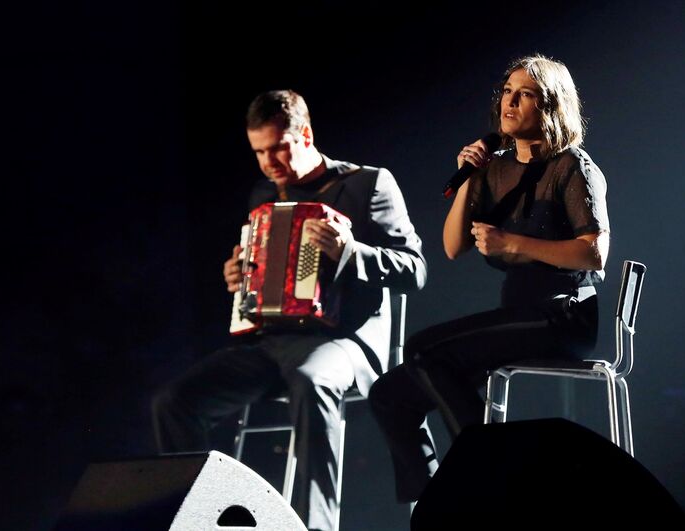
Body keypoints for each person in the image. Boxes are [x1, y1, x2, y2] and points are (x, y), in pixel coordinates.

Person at [152, 89, 427, 531]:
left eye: (277, 148)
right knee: (174, 401)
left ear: (306, 134)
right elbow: (259, 268)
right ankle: (198, 522)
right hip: (275, 341)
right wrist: (240, 277)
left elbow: (415, 270)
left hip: (348, 342)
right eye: (259, 152)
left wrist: (351, 251)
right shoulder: (263, 193)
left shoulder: (368, 183)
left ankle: (313, 528)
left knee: (311, 379)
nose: (269, 163)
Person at [368, 54, 610, 505]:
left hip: (562, 316)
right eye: (506, 91)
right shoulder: (495, 167)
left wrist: (514, 245)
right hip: (515, 314)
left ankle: (490, 481)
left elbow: (594, 253)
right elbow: (452, 246)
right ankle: (434, 503)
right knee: (388, 396)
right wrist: (467, 181)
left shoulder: (572, 167)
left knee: (422, 348)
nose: (510, 102)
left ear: (551, 107)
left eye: (525, 94)